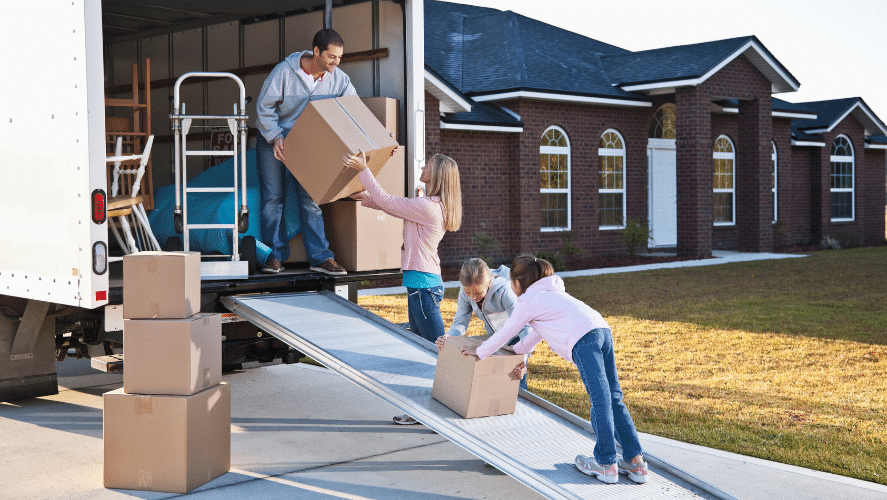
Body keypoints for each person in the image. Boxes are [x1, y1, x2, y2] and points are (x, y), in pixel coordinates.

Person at [459, 254, 649, 485]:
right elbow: (536, 334)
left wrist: (479, 352)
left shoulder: (528, 301)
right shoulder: (553, 294)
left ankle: (606, 463)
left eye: (511, 282)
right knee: (614, 397)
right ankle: (635, 461)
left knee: (600, 400)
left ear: (518, 283)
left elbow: (505, 332)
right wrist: (516, 352)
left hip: (584, 339)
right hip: (602, 329)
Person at [343, 151, 462, 425]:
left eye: (428, 165)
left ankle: (445, 412)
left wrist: (364, 169)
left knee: (437, 354)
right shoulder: (429, 205)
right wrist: (365, 200)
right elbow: (390, 206)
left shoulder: (429, 207)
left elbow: (388, 200)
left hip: (423, 287)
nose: (423, 167)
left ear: (438, 175)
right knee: (422, 352)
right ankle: (423, 411)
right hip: (421, 285)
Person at [255, 28, 355, 275]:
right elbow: (263, 107)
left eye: (340, 58)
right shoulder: (284, 72)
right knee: (273, 199)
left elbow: (352, 112)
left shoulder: (339, 79)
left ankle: (320, 258)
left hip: (308, 144)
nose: (336, 63)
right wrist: (275, 136)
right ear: (317, 52)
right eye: (332, 57)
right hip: (273, 140)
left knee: (311, 201)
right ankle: (274, 256)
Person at [434, 258, 534, 390]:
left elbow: (525, 328)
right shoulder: (466, 293)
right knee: (496, 383)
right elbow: (460, 322)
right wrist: (450, 336)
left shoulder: (504, 292)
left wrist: (523, 358)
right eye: (468, 292)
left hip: (517, 340)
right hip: (494, 339)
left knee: (516, 384)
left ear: (489, 283)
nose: (473, 297)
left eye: (478, 293)